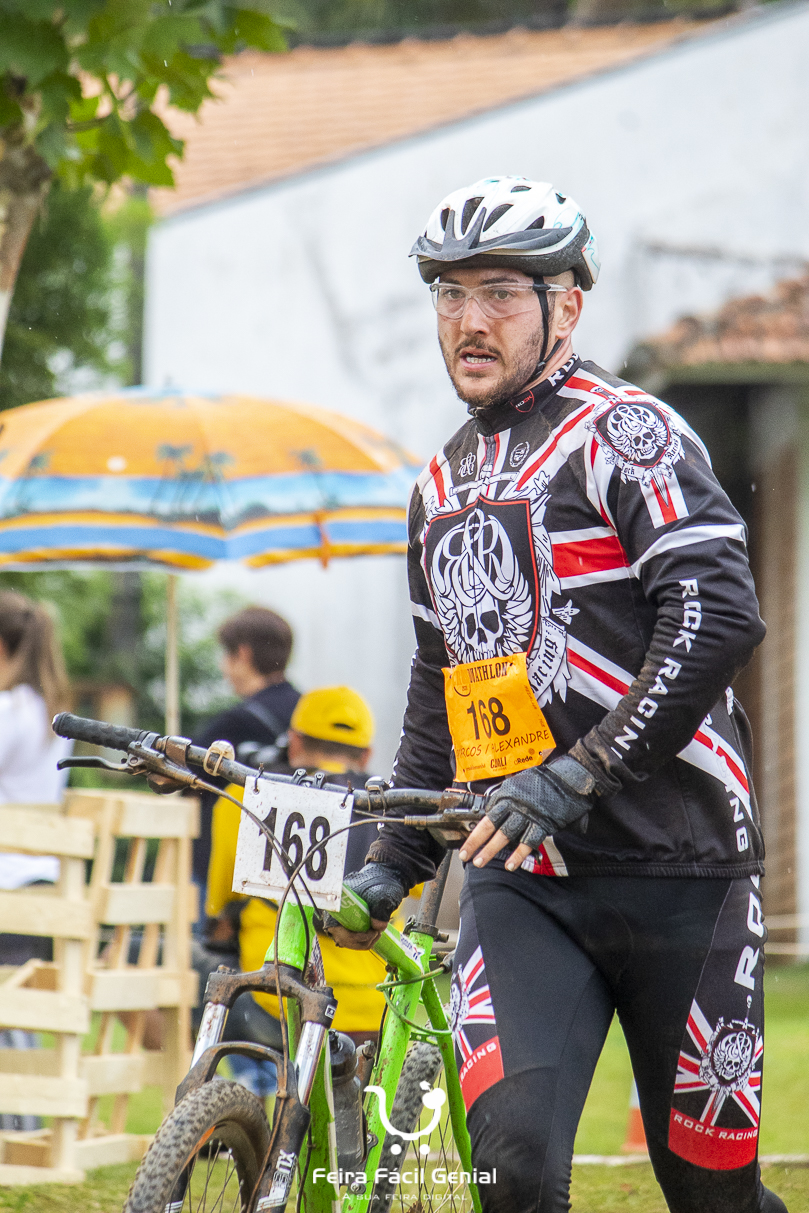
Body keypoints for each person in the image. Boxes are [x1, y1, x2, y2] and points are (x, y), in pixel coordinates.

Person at [328, 178, 787, 1213]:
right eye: (449, 294)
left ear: (565, 305)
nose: (468, 320)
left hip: (684, 869)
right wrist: (394, 860)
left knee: (708, 1193)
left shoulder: (627, 434)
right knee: (512, 1167)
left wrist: (578, 772)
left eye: (499, 292)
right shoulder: (440, 484)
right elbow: (443, 681)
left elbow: (716, 615)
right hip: (525, 877)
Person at [199, 686, 386, 1096]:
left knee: (201, 970)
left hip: (279, 1006)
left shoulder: (246, 793)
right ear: (366, 755)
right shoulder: (390, 808)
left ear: (295, 742)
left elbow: (220, 901)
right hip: (372, 1009)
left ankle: (246, 1089)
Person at [0, 590, 71, 1131]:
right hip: (41, 876)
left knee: (9, 1015)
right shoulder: (47, 711)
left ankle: (21, 1129)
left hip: (9, 880)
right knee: (16, 1010)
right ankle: (23, 1127)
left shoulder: (10, 710)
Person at [192, 606, 300, 889]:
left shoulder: (236, 723)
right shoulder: (308, 713)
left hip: (231, 875)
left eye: (226, 657)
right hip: (296, 865)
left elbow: (184, 773)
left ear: (243, 654)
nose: (223, 668)